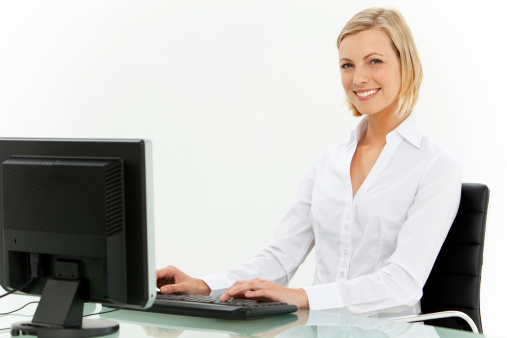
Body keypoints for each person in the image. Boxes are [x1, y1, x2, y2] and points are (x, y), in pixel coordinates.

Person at [157, 7, 461, 316]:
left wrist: (302, 296)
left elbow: (402, 284)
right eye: (347, 65)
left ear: (405, 64)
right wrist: (204, 286)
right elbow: (281, 257)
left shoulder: (436, 166)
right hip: (319, 330)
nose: (358, 78)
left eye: (375, 61)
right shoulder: (329, 162)